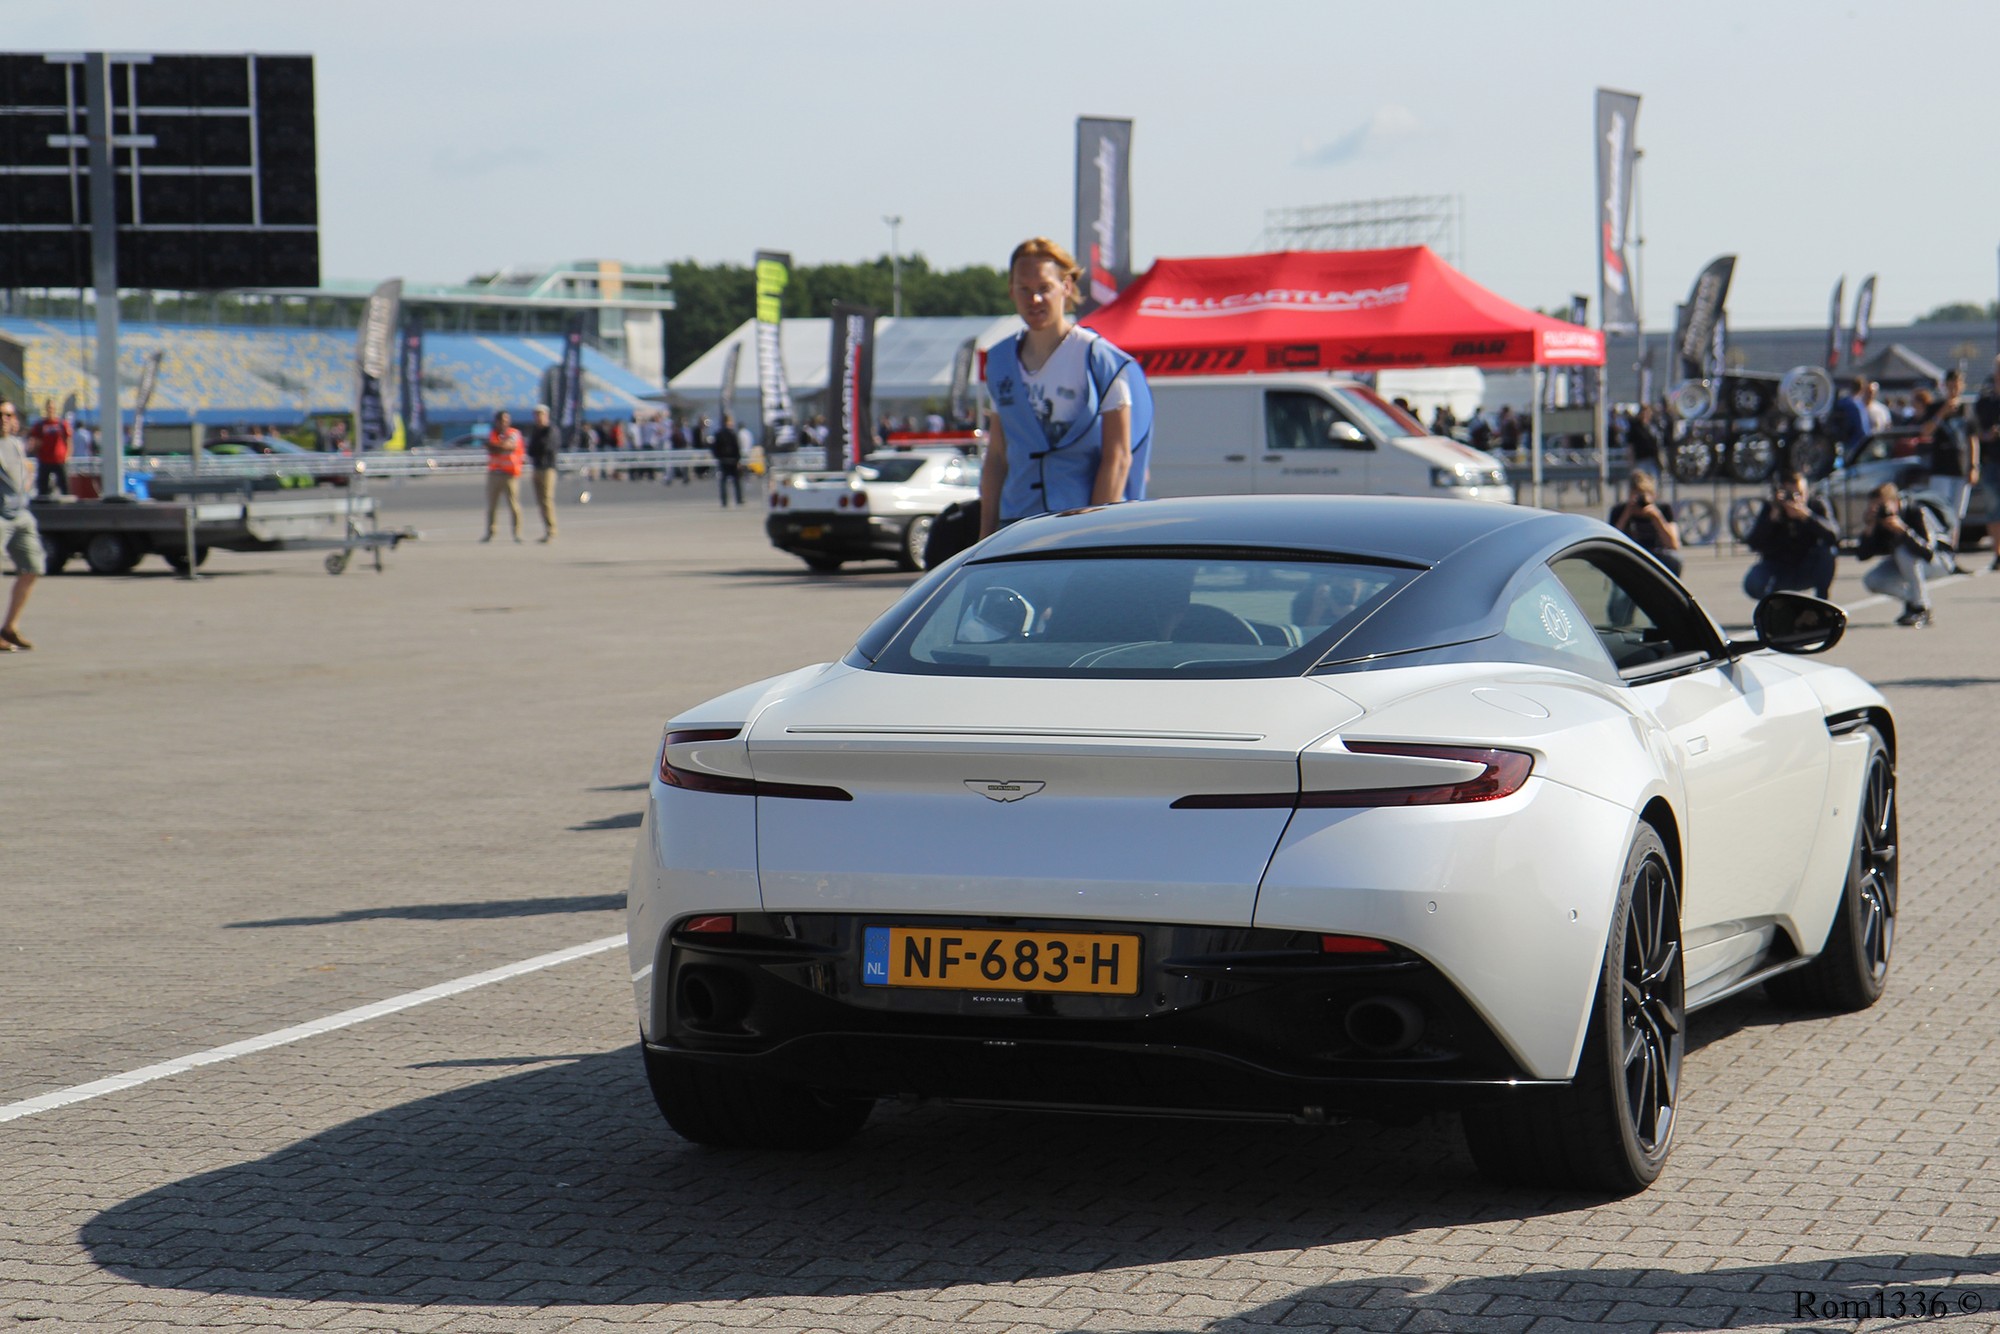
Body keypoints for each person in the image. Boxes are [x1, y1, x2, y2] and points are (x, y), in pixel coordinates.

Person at [978, 236, 1153, 538]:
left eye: (1044, 288)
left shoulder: (1101, 360)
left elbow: (1119, 455)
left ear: (1067, 287)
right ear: (1011, 291)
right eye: (1024, 289)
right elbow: (996, 456)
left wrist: (1094, 533)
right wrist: (985, 534)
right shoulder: (998, 361)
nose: (1035, 300)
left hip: (1079, 521)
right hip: (1017, 523)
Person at [1743, 470, 1839, 599]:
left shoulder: (1816, 505)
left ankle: (1822, 601)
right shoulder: (1772, 508)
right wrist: (1771, 519)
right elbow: (1753, 543)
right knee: (1754, 582)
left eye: (1800, 494)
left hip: (1808, 567)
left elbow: (1834, 535)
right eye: (1790, 495)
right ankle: (1773, 606)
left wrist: (1807, 517)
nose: (1795, 499)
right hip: (1779, 567)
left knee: (1828, 553)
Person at [1857, 483, 1937, 627]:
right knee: (1872, 580)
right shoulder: (1878, 521)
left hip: (1936, 563)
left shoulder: (1915, 511)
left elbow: (1929, 553)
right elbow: (1862, 556)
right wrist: (1869, 528)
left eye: (1883, 506)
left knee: (1902, 551)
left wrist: (1903, 530)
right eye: (1875, 507)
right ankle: (1913, 602)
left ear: (1895, 502)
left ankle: (1921, 607)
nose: (1880, 511)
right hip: (1905, 564)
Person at [1919, 368, 1977, 555]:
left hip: (1960, 468)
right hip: (1941, 468)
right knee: (1939, 511)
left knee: (1956, 514)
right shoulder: (1935, 407)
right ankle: (1939, 550)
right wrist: (1943, 412)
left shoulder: (1966, 409)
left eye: (1957, 385)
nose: (1953, 389)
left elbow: (1972, 439)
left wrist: (1974, 465)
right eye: (1950, 385)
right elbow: (1926, 431)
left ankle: (1952, 551)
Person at [0, 402, 43, 650]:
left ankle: (9, 628)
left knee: (32, 568)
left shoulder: (15, 444)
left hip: (21, 514)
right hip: (1, 515)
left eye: (9, 414)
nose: (5, 419)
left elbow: (24, 471)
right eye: (1, 414)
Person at [1609, 471, 1682, 575]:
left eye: (1643, 494)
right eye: (1636, 494)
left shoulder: (1663, 509)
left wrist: (1656, 518)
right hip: (1630, 553)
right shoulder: (1619, 511)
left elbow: (1673, 545)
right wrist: (1626, 514)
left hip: (1656, 554)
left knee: (1674, 559)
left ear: (1653, 495)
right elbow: (1612, 541)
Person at [481, 409, 525, 543]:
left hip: (510, 474)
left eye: (506, 420)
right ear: (497, 422)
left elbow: (508, 446)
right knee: (492, 505)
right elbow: (491, 447)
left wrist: (498, 446)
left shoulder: (514, 433)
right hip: (495, 473)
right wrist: (498, 446)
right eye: (502, 421)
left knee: (514, 505)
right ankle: (490, 532)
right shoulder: (493, 434)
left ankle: (517, 533)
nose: (504, 423)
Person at [1975, 357, 2000, 569]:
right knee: (1993, 510)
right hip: (1991, 460)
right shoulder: (1985, 401)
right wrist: (1986, 435)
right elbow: (1973, 431)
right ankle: (1998, 553)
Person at [524, 403, 560, 542]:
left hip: (547, 469)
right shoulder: (536, 431)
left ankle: (551, 530)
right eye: (536, 415)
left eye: (541, 414)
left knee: (547, 500)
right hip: (537, 468)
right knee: (540, 501)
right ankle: (546, 528)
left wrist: (537, 448)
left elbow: (547, 447)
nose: (538, 418)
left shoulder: (551, 430)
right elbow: (531, 450)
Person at [27, 398, 70, 499]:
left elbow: (68, 440)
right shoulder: (40, 425)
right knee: (42, 489)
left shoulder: (62, 424)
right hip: (45, 459)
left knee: (65, 487)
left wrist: (67, 455)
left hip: (59, 459)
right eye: (49, 408)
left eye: (52, 408)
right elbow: (34, 440)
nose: (50, 410)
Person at [712, 413, 743, 507]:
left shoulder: (718, 434)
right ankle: (738, 499)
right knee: (735, 481)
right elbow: (737, 448)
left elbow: (714, 448)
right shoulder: (732, 433)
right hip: (732, 460)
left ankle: (724, 501)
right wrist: (738, 459)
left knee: (724, 482)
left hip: (724, 460)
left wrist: (718, 457)